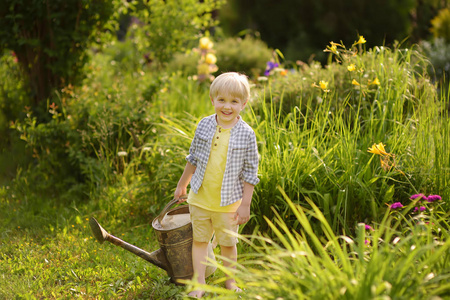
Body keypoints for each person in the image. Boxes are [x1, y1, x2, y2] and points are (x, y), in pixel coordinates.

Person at [174, 72, 260, 298]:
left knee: (228, 244)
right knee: (200, 241)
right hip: (200, 198)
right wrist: (183, 185)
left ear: (244, 103)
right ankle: (199, 282)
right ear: (212, 100)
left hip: (229, 203)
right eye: (221, 100)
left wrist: (246, 205)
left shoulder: (246, 134)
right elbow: (193, 158)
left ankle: (230, 281)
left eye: (234, 101)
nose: (227, 106)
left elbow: (250, 173)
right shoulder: (204, 125)